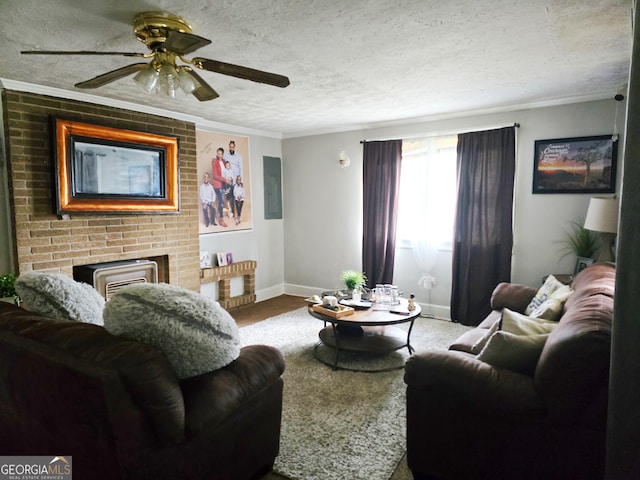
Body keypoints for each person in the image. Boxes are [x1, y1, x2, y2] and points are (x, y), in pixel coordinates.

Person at [211, 148, 229, 227]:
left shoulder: (224, 162)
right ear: (217, 154)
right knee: (221, 201)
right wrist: (225, 179)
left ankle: (231, 213)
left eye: (221, 154)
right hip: (217, 184)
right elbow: (215, 176)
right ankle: (221, 219)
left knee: (228, 196)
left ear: (223, 154)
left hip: (223, 184)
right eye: (218, 153)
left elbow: (227, 171)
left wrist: (229, 179)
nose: (219, 155)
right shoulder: (215, 162)